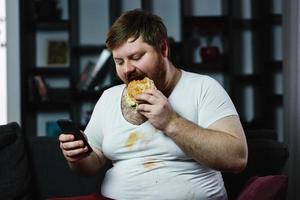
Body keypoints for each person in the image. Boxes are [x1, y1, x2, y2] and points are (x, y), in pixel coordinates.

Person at [59, 9, 248, 200]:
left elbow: (237, 159)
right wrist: (78, 156)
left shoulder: (203, 88)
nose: (127, 69)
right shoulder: (109, 97)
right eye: (119, 61)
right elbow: (93, 161)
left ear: (163, 49)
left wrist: (171, 122)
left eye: (136, 57)